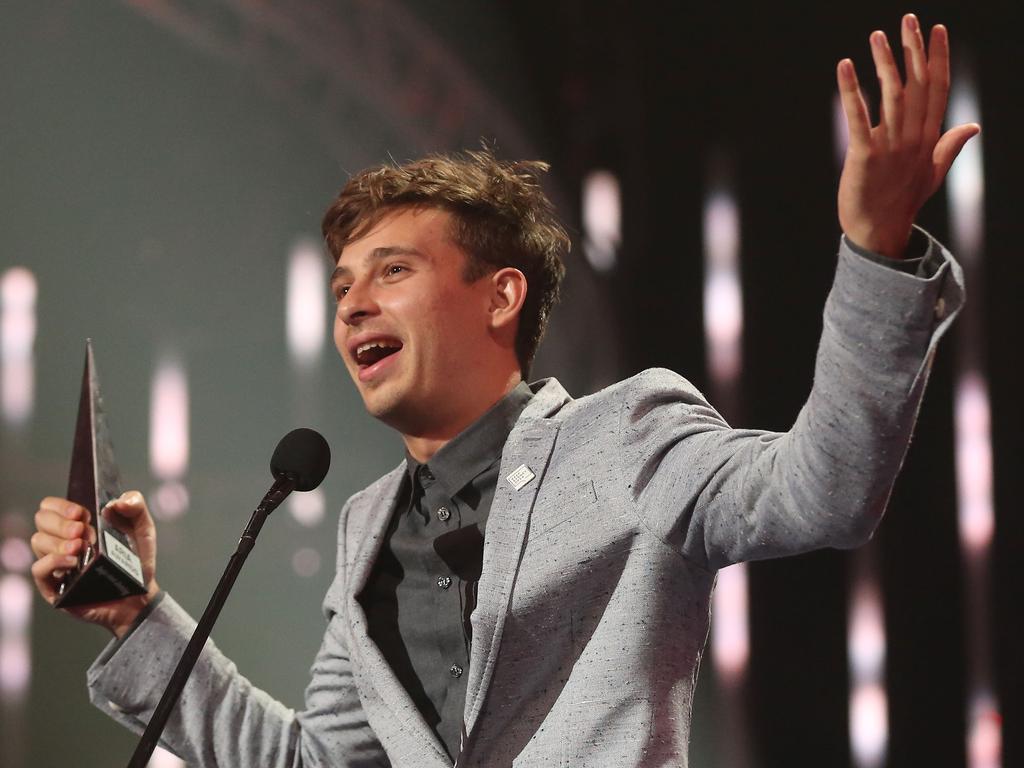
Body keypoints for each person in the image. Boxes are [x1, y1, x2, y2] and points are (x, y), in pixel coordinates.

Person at [31, 14, 977, 767]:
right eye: (342, 287)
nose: (354, 303)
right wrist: (135, 615)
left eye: (392, 271)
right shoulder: (367, 531)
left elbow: (827, 490)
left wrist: (876, 251)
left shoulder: (628, 437)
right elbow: (309, 763)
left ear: (499, 296)